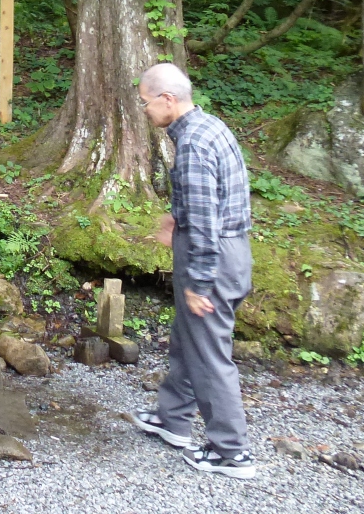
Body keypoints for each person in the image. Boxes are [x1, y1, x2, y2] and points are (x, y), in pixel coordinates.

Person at [131, 62, 256, 479]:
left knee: (208, 353)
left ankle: (231, 451)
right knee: (188, 339)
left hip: (214, 258)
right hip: (230, 251)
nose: (145, 110)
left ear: (168, 99)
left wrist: (200, 281)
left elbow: (206, 221)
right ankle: (174, 420)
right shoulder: (209, 127)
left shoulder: (194, 145)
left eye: (146, 102)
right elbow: (215, 196)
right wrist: (175, 217)